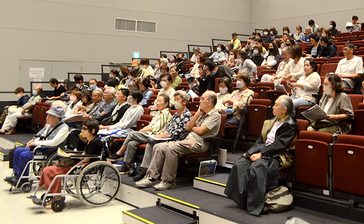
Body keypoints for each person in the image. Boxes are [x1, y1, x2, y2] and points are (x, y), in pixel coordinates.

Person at [224, 95, 298, 216]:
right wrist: (250, 152)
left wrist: (261, 154)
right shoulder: (272, 121)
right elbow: (260, 140)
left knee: (256, 168)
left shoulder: (290, 125)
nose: (273, 107)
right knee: (240, 163)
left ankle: (255, 204)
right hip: (263, 150)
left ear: (284, 110)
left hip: (278, 155)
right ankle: (243, 199)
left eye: (276, 105)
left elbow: (279, 145)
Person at [135, 90, 221, 190]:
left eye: (202, 99)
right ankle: (150, 177)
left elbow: (201, 131)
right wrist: (197, 115)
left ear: (210, 102)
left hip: (200, 143)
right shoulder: (201, 114)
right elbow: (188, 128)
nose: (199, 101)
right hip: (188, 139)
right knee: (159, 146)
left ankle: (168, 181)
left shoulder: (215, 115)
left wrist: (193, 128)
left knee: (171, 148)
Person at [133, 91, 192, 181]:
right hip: (167, 136)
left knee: (153, 143)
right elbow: (168, 127)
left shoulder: (187, 114)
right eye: (175, 99)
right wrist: (163, 134)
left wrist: (168, 134)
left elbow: (182, 131)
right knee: (150, 142)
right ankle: (145, 169)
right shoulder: (176, 114)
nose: (175, 102)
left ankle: (148, 172)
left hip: (175, 138)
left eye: (178, 100)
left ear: (184, 102)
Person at [4, 103, 69, 185]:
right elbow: (42, 136)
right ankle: (17, 175)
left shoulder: (64, 128)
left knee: (24, 155)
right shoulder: (50, 126)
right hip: (42, 147)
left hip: (51, 150)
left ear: (57, 118)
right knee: (17, 151)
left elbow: (54, 142)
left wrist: (36, 143)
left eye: (49, 116)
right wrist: (32, 141)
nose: (47, 118)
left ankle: (23, 179)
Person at [37, 119, 102, 197]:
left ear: (93, 130)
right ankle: (54, 195)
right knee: (49, 169)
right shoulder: (90, 141)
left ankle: (55, 197)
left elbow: (86, 159)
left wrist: (70, 157)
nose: (82, 130)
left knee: (49, 171)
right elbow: (84, 155)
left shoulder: (95, 142)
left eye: (84, 129)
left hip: (83, 167)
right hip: (79, 164)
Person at [111, 94, 172, 170]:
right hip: (148, 134)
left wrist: (144, 130)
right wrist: (144, 129)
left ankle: (120, 152)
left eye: (160, 101)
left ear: (166, 104)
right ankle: (127, 165)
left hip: (155, 137)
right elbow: (150, 125)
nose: (157, 103)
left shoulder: (165, 113)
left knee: (132, 134)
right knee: (131, 143)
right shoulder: (158, 113)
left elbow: (155, 129)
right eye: (157, 101)